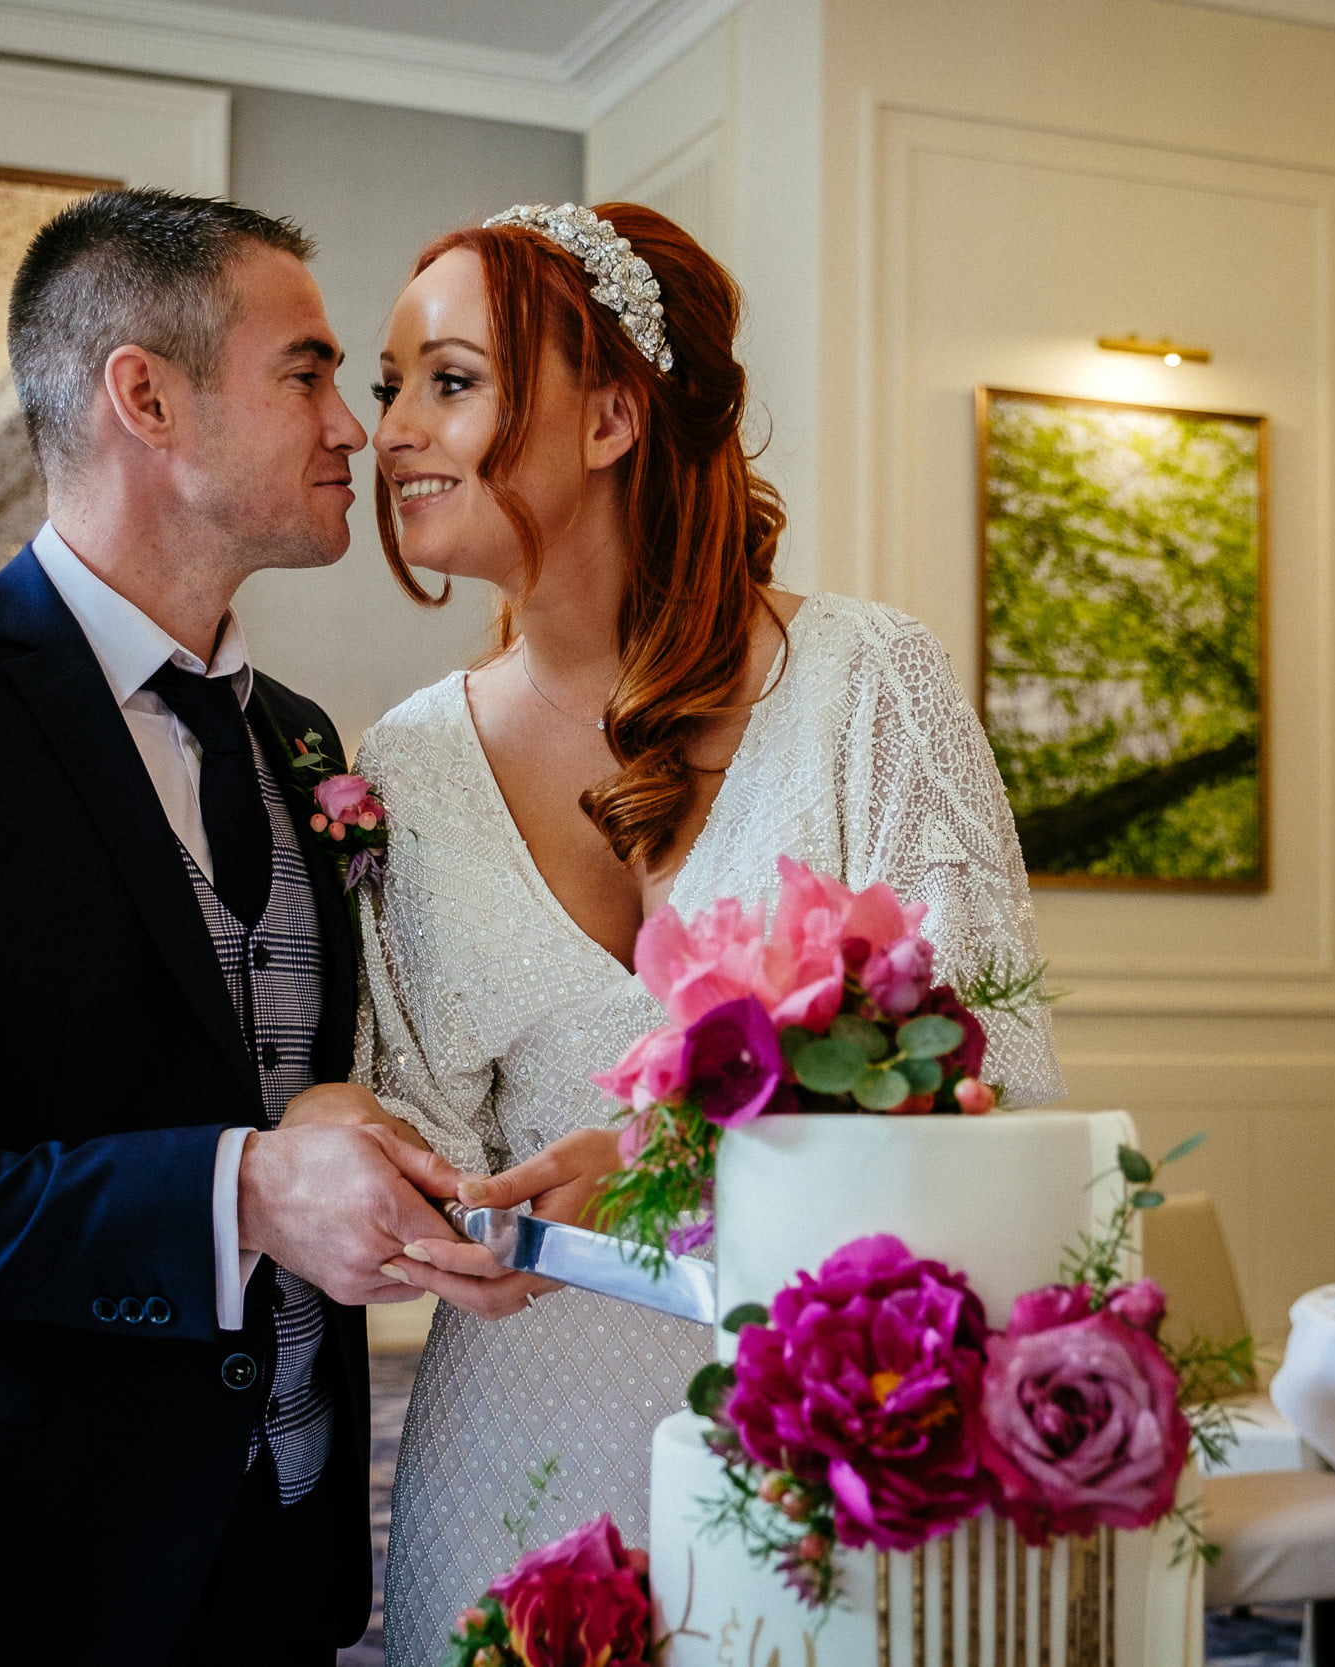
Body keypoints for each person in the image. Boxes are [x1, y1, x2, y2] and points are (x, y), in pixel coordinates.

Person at [0, 188, 469, 1666]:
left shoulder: (310, 742)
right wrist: (241, 1192)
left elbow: (269, 1064)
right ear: (146, 394)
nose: (357, 430)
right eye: (308, 372)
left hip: (283, 1542)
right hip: (1, 1563)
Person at [350, 202, 1066, 1661]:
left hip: (836, 1433)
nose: (394, 431)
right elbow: (417, 1117)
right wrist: (411, 1193)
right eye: (387, 384)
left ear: (613, 415)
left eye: (451, 379)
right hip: (512, 1450)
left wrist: (670, 1164)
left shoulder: (870, 684)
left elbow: (1006, 1087)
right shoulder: (407, 759)